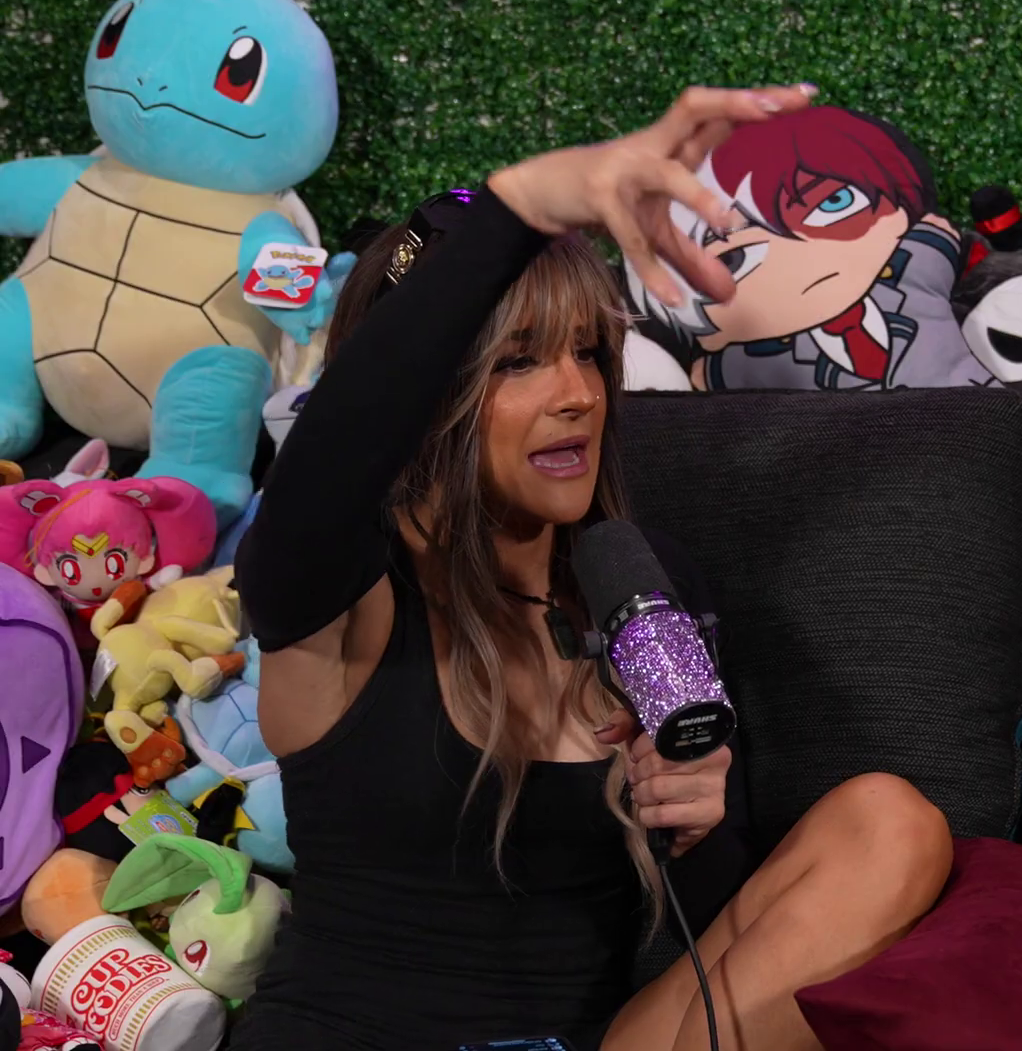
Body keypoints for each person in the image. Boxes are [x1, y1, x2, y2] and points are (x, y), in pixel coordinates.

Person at [233, 84, 954, 1051]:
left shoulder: (640, 586)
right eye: (518, 361)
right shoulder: (341, 589)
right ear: (429, 393)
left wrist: (698, 823)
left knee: (890, 824)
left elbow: (716, 950)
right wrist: (523, 207)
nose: (577, 393)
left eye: (586, 352)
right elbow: (337, 445)